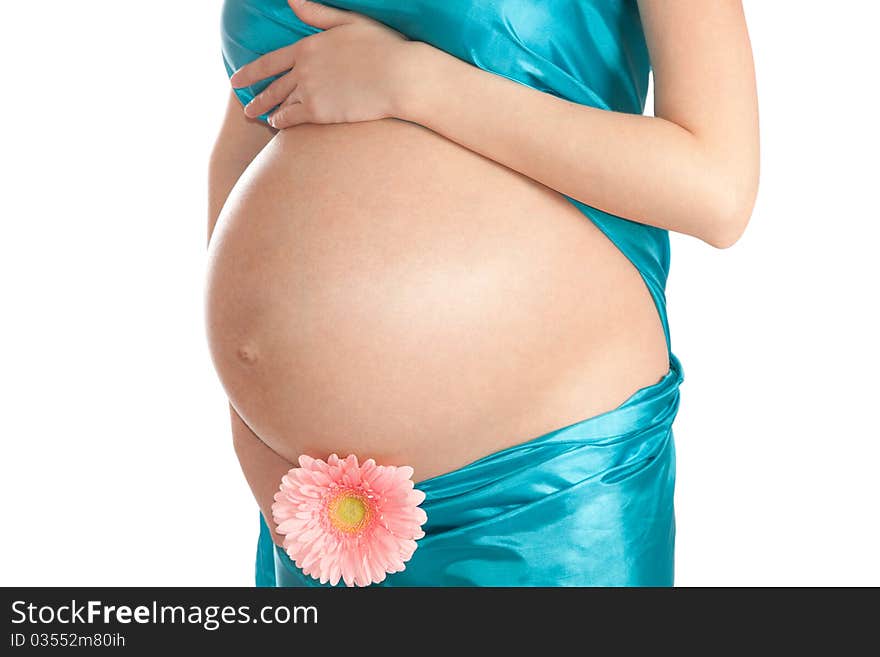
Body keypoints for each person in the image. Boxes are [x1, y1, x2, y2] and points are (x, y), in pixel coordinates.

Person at [205, 0, 759, 586]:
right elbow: (253, 121)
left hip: (543, 489)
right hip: (314, 503)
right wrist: (249, 416)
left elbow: (716, 191)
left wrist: (412, 81)